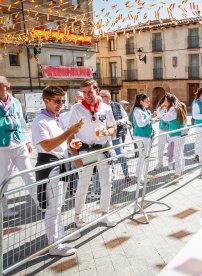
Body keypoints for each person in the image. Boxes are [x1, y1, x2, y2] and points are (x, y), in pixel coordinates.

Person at [31, 86, 84, 257]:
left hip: (59, 164)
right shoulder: (40, 121)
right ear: (46, 101)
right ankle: (54, 245)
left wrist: (70, 144)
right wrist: (69, 132)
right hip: (49, 166)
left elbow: (58, 142)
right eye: (57, 101)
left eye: (62, 101)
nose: (61, 104)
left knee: (59, 205)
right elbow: (46, 145)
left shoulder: (56, 118)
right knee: (52, 208)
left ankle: (59, 234)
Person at [68, 79, 117, 228]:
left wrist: (107, 131)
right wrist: (75, 157)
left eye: (90, 91)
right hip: (86, 151)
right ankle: (78, 217)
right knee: (83, 185)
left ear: (97, 90)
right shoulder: (76, 109)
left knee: (106, 183)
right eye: (84, 92)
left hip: (103, 149)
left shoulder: (105, 108)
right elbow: (70, 134)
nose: (87, 95)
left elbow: (112, 129)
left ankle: (104, 214)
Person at [0, 76, 38, 218]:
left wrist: (27, 141)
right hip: (2, 147)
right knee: (3, 180)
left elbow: (21, 122)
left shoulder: (15, 102)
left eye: (0, 87)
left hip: (19, 143)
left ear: (7, 87)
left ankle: (40, 203)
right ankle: (3, 210)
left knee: (29, 174)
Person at [99, 90, 130, 182]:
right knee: (108, 156)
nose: (100, 98)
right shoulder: (99, 108)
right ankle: (111, 175)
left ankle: (126, 174)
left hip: (117, 135)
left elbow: (125, 117)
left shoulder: (117, 105)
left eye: (102, 96)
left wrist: (119, 122)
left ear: (108, 97)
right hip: (105, 137)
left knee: (120, 154)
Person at [159, 93, 187, 177]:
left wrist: (162, 110)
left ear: (169, 101)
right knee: (180, 153)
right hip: (180, 133)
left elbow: (165, 118)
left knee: (177, 154)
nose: (164, 102)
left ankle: (177, 174)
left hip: (176, 134)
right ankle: (181, 170)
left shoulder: (173, 109)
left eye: (165, 100)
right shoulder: (176, 108)